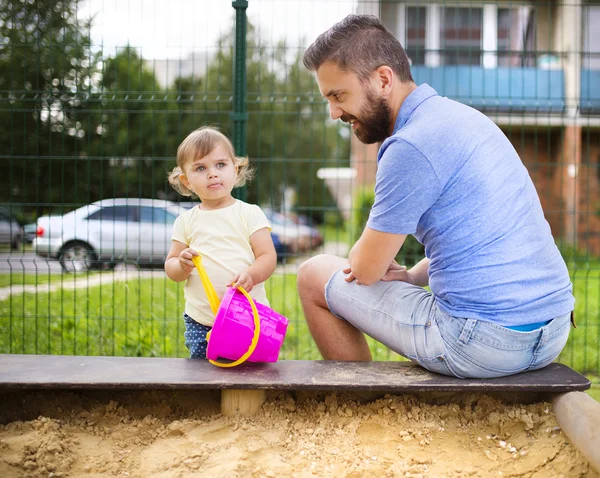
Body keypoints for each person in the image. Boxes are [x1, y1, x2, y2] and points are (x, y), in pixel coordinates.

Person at [297, 14, 575, 378]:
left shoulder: (410, 145)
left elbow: (365, 269)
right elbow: (483, 236)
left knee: (312, 274)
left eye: (338, 95)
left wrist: (363, 256)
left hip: (482, 344)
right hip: (552, 331)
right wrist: (412, 277)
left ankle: (358, 404)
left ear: (383, 79)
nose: (334, 113)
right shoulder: (466, 120)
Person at [165, 126, 277, 359]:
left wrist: (252, 275)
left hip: (248, 316)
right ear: (186, 181)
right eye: (200, 168)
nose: (212, 173)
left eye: (220, 165)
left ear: (235, 170)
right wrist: (182, 265)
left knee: (251, 372)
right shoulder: (185, 221)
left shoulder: (249, 213)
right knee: (204, 376)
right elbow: (171, 267)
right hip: (201, 320)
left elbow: (267, 257)